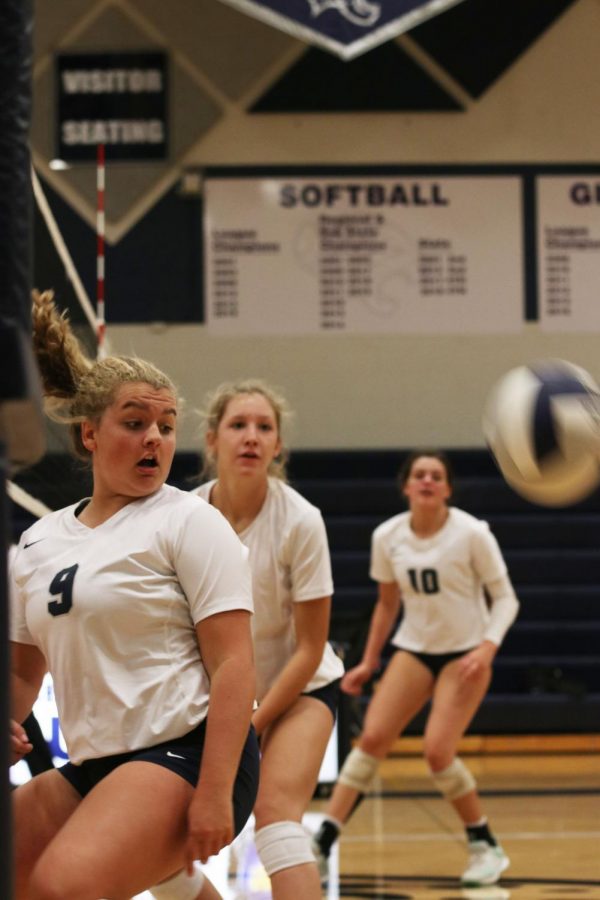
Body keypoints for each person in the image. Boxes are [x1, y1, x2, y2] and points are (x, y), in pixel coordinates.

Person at [9, 290, 259, 900]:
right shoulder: (40, 541)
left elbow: (234, 665)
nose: (155, 438)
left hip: (187, 753)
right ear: (90, 435)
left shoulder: (188, 522)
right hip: (98, 765)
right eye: (136, 423)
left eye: (167, 427)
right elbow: (22, 670)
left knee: (62, 887)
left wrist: (215, 793)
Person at [150, 379, 344, 900]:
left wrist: (251, 722)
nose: (252, 436)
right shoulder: (179, 517)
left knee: (277, 818)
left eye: (264, 427)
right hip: (218, 698)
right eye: (239, 425)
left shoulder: (301, 521)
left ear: (277, 445)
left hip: (299, 688)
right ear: (212, 439)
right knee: (159, 837)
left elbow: (310, 648)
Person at [312, 450, 520, 888]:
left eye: (436, 476)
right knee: (370, 739)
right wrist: (369, 661)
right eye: (419, 475)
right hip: (415, 648)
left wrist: (486, 647)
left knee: (437, 752)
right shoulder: (387, 536)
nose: (427, 481)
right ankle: (323, 842)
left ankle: (485, 845)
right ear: (406, 486)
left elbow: (506, 598)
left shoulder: (472, 533)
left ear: (446, 488)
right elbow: (387, 605)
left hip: (465, 654)